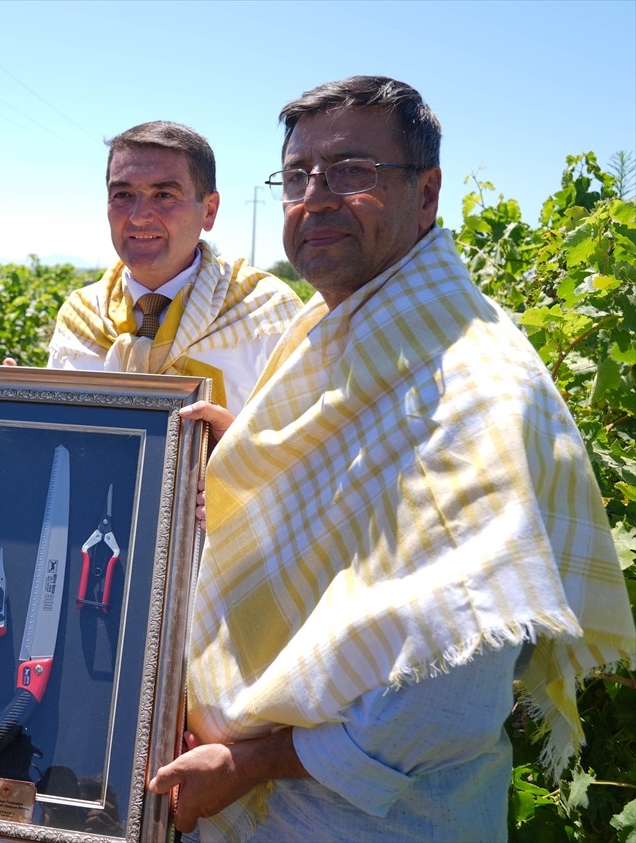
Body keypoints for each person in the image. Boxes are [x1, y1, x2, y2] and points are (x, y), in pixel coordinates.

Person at [148, 76, 636, 841]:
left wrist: (248, 763)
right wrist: (250, 456)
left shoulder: (477, 391)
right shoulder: (344, 330)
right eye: (299, 176)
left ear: (428, 192)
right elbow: (352, 500)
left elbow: (442, 699)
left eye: (352, 171)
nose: (317, 196)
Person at [47, 120, 302, 418]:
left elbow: (301, 448)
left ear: (209, 211)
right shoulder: (81, 317)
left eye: (164, 195)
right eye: (123, 195)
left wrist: (232, 448)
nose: (139, 216)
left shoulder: (266, 314)